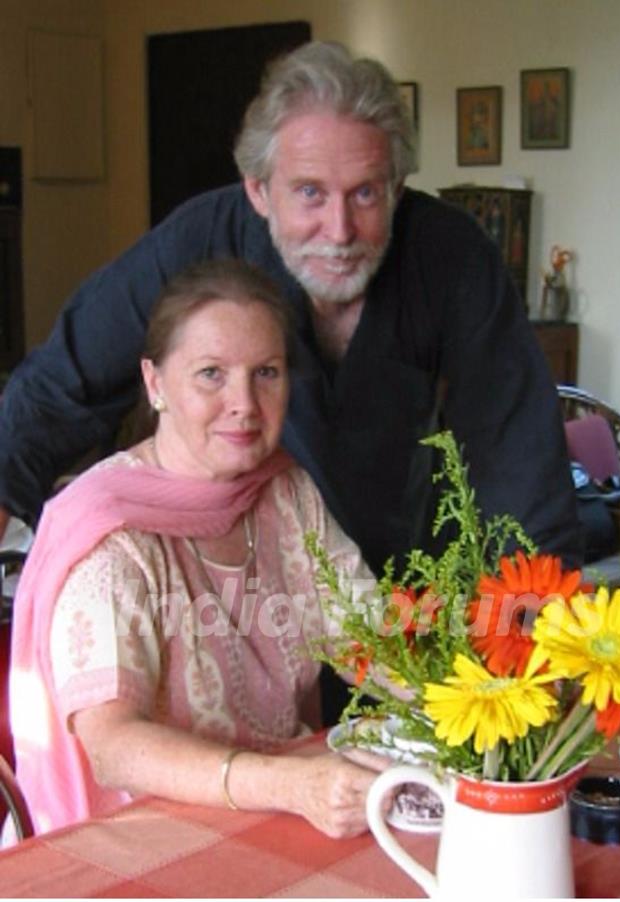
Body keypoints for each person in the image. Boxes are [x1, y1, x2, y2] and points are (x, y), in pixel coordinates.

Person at [0, 41, 579, 587]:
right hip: (235, 590)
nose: (339, 231)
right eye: (309, 193)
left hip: (398, 590)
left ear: (397, 190)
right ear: (257, 190)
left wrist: (531, 626)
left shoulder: (452, 256)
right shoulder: (200, 240)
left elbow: (518, 454)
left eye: (364, 194)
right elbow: (58, 385)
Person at [7, 259, 387, 839]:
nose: (245, 403)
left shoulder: (287, 493)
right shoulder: (111, 535)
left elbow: (374, 639)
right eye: (212, 373)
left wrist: (486, 695)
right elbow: (113, 746)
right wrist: (290, 784)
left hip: (285, 810)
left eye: (267, 373)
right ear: (155, 383)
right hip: (141, 836)